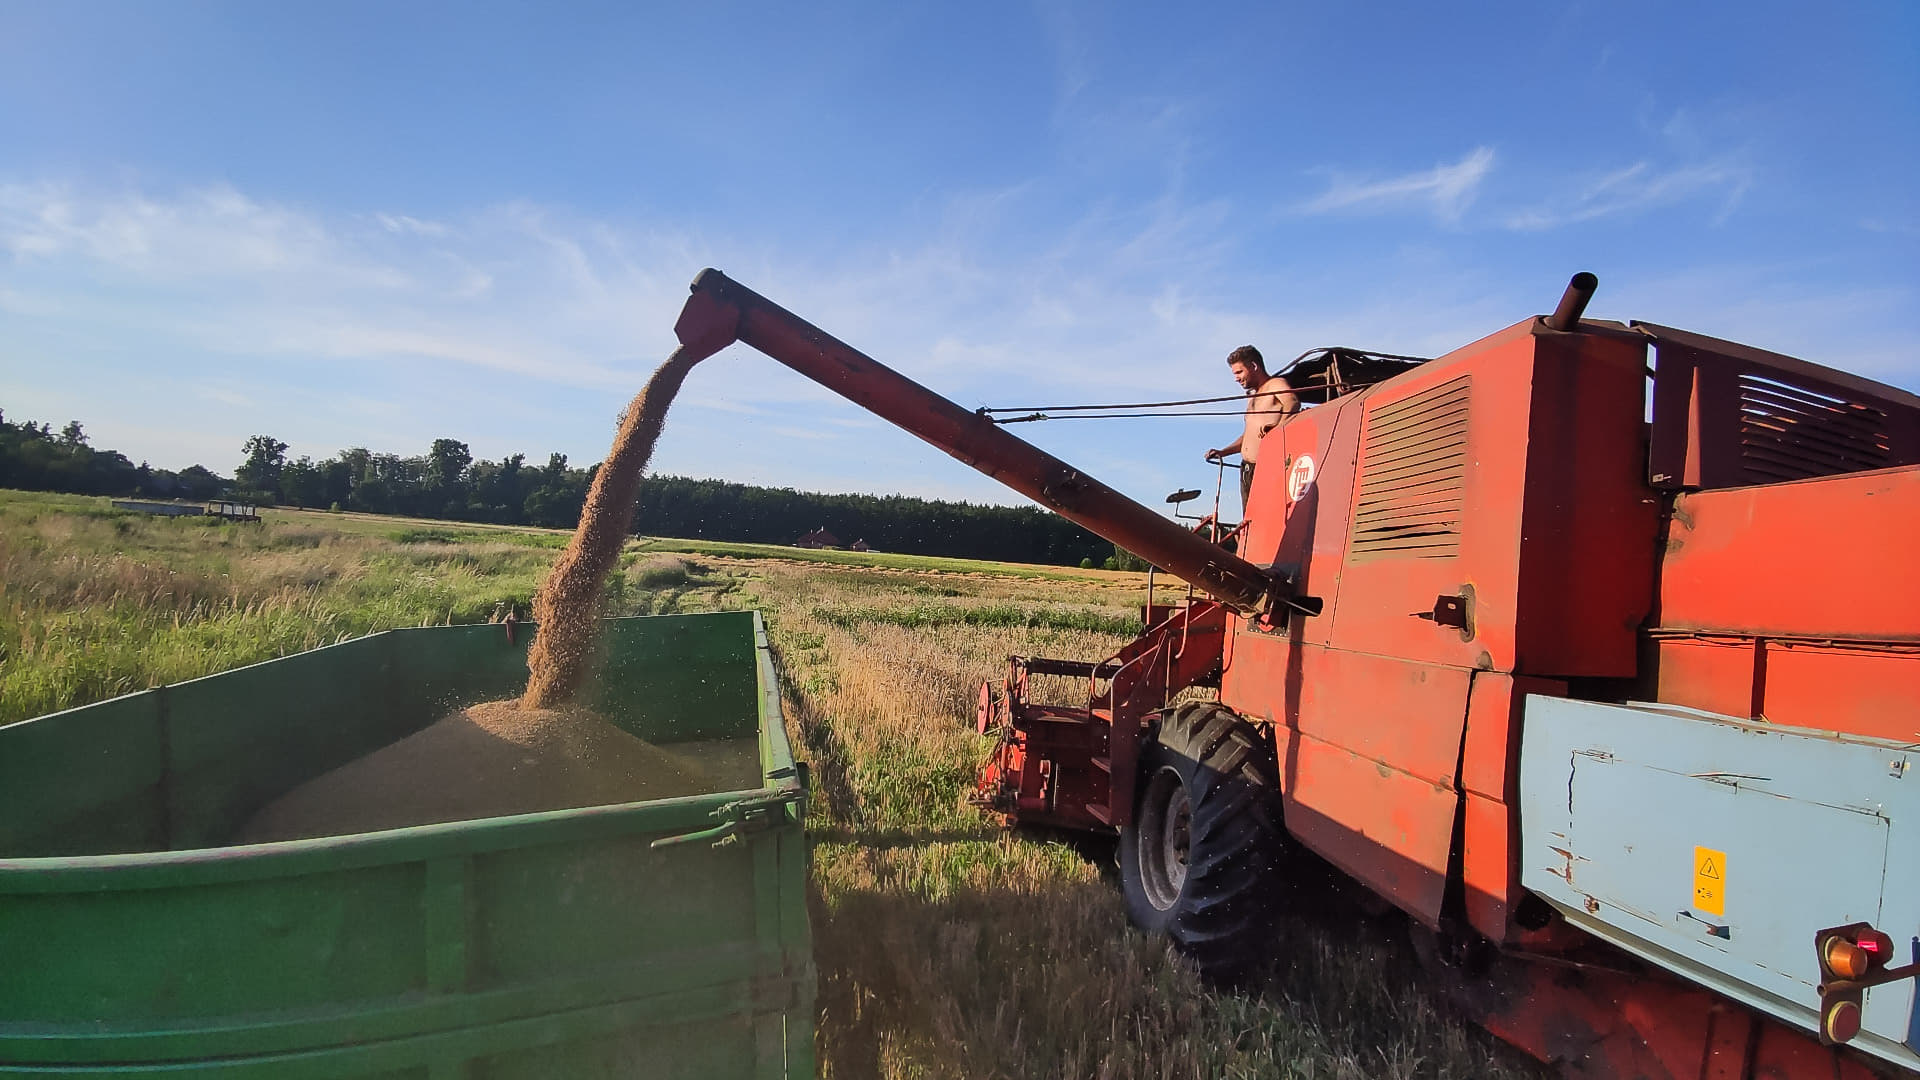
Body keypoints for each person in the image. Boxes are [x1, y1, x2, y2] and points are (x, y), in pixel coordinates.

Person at [1206, 345, 1299, 511]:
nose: (1236, 378)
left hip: (1267, 466)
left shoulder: (1275, 384)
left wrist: (1278, 428)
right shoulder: (1252, 397)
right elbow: (1248, 437)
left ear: (1254, 366)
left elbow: (1292, 402)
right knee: (1250, 520)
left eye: (1239, 372)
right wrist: (1223, 452)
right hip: (1247, 470)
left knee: (1267, 516)